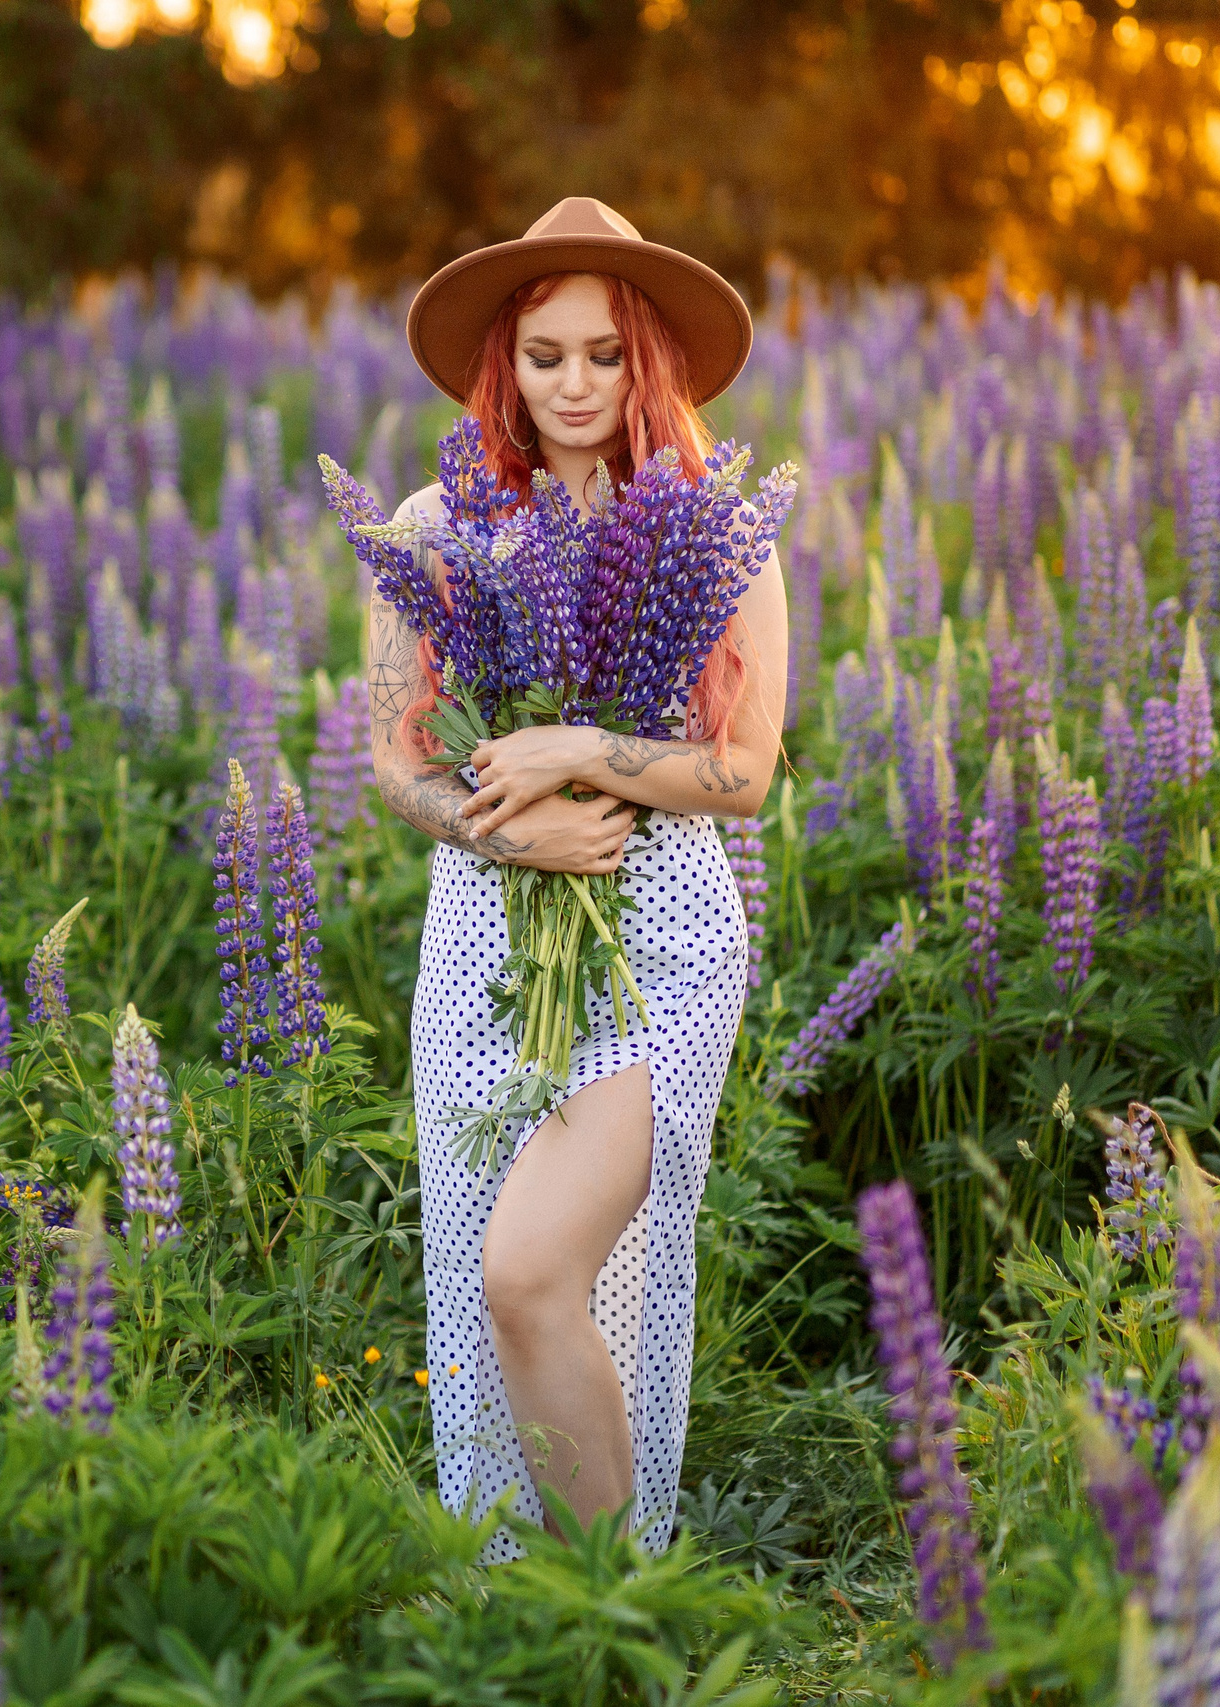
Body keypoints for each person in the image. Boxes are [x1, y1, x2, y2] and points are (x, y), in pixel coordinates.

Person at [367, 196, 786, 1559]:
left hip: (656, 937)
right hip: (490, 938)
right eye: (546, 353)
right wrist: (507, 828)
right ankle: (539, 1619)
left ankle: (623, 1614)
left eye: (605, 353)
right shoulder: (433, 520)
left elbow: (743, 771)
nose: (575, 382)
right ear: (506, 361)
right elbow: (393, 762)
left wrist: (575, 750)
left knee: (534, 1269)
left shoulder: (715, 525)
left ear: (646, 361)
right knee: (515, 1295)